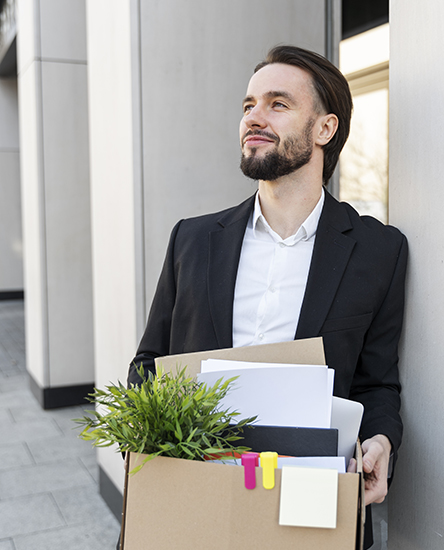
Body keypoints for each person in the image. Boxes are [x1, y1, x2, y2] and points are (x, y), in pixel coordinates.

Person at [128, 45, 407, 549]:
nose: (253, 118)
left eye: (278, 104)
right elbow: (148, 364)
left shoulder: (379, 250)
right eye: (248, 105)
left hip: (310, 508)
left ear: (325, 129)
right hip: (192, 501)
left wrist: (382, 441)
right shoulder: (191, 239)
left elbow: (378, 383)